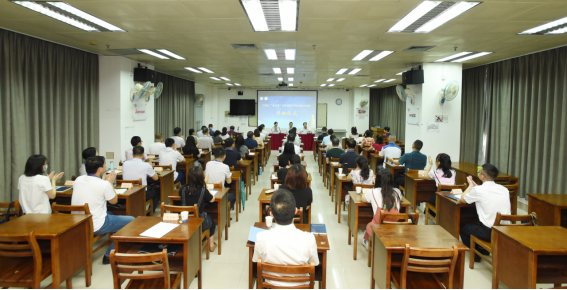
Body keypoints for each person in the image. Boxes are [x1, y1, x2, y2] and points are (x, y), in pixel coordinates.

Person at [72, 156, 134, 265]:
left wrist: (105, 182)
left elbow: (92, 186)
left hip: (78, 223)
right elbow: (114, 201)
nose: (106, 166)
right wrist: (110, 183)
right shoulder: (104, 184)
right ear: (100, 169)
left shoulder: (78, 179)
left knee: (110, 213)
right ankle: (109, 254)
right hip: (96, 224)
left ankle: (116, 236)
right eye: (104, 164)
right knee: (131, 220)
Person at [252, 189, 319, 288]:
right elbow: (315, 263)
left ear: (271, 214)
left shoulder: (261, 237)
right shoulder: (309, 239)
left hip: (271, 286)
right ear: (296, 211)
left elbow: (255, 261)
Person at [459, 164, 511, 263]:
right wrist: (476, 187)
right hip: (505, 231)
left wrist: (470, 185)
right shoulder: (504, 189)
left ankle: (477, 254)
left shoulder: (479, 190)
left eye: (479, 172)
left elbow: (462, 199)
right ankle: (483, 249)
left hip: (489, 232)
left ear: (482, 176)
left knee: (462, 227)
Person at [360, 169, 403, 250]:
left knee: (370, 224)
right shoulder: (397, 192)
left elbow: (363, 199)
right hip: (394, 229)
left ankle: (366, 241)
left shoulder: (373, 191)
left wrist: (374, 186)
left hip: (378, 229)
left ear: (378, 180)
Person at [180, 166, 218, 252]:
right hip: (199, 222)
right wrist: (205, 184)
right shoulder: (203, 190)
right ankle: (211, 245)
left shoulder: (182, 189)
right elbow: (212, 199)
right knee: (211, 221)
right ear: (201, 178)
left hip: (184, 221)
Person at [122, 146, 160, 211]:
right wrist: (151, 168)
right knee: (158, 189)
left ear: (132, 154)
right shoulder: (146, 165)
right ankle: (150, 212)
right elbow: (156, 178)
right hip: (141, 194)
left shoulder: (125, 163)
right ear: (143, 154)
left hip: (127, 192)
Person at [425, 153, 456, 218]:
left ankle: (431, 216)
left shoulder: (435, 172)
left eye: (436, 161)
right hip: (451, 198)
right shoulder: (453, 172)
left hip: (439, 198)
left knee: (431, 199)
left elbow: (425, 176)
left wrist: (430, 165)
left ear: (439, 163)